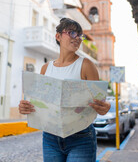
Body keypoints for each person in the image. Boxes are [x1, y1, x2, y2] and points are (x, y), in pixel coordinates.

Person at [19, 18, 111, 162]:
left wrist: (106, 107)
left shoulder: (86, 65)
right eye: (72, 33)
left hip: (81, 138)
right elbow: (39, 102)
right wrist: (26, 106)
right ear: (58, 36)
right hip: (50, 138)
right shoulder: (46, 68)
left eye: (80, 35)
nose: (77, 38)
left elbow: (100, 102)